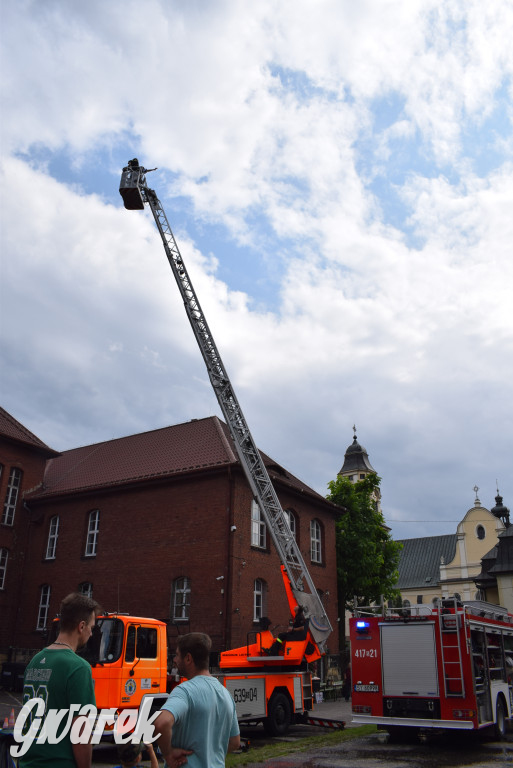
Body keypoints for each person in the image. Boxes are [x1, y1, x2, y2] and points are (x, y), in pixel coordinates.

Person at [20, 592, 99, 768]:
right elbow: (81, 731)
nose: (91, 634)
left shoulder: (34, 661)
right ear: (81, 626)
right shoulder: (78, 667)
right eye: (91, 628)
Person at [154, 633, 240, 768]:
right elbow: (235, 742)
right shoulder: (226, 695)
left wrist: (168, 754)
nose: (175, 660)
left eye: (177, 655)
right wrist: (210, 754)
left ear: (188, 658)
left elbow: (161, 723)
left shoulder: (184, 691)